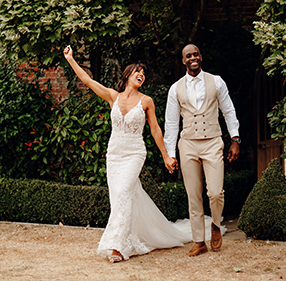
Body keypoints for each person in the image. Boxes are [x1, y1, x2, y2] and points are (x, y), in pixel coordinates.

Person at [63, 46, 191, 263]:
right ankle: (131, 238)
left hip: (134, 154)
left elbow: (155, 130)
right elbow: (88, 81)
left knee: (122, 193)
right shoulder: (113, 96)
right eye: (137, 71)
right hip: (114, 155)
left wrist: (166, 156)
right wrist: (71, 59)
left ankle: (118, 247)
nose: (141, 75)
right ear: (127, 75)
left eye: (144, 73)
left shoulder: (146, 101)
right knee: (120, 200)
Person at [164, 44, 240, 256]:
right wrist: (170, 154)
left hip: (213, 142)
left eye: (195, 54)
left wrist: (235, 139)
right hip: (187, 144)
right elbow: (171, 123)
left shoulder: (216, 81)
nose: (192, 58)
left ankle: (215, 225)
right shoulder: (175, 88)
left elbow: (228, 110)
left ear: (201, 57)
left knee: (215, 192)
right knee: (193, 195)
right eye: (188, 56)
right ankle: (199, 241)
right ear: (183, 61)